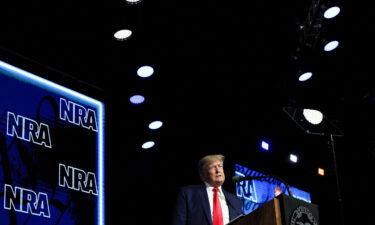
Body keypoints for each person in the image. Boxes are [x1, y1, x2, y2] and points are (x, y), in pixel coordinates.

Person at [171, 154, 243, 225]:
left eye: (220, 166)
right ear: (202, 175)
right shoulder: (188, 194)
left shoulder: (235, 201)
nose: (218, 170)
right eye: (212, 167)